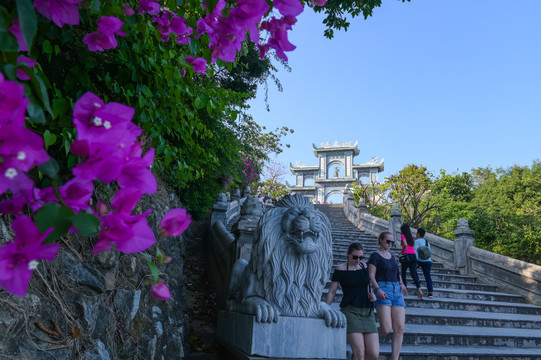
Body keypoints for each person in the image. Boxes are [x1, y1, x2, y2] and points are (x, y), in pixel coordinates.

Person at [326, 242, 379, 360]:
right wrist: (326, 307)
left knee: (374, 354)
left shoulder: (364, 267)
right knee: (359, 352)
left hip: (367, 311)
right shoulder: (340, 269)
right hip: (350, 310)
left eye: (361, 257)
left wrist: (372, 296)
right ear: (348, 254)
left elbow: (366, 286)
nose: (358, 259)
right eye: (355, 257)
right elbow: (332, 291)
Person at [368, 232, 407, 360]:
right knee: (385, 328)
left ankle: (394, 358)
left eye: (392, 242)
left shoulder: (392, 256)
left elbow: (397, 272)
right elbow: (371, 276)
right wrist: (377, 289)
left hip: (396, 290)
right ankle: (368, 337)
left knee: (399, 327)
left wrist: (402, 284)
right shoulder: (375, 256)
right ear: (380, 240)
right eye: (387, 241)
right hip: (383, 288)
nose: (390, 244)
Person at [400, 223, 423, 299]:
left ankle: (405, 292)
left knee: (403, 273)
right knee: (414, 274)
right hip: (413, 256)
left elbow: (405, 245)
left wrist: (401, 251)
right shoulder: (412, 238)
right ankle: (419, 290)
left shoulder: (403, 236)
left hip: (406, 256)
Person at [414, 228, 433, 297]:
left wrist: (415, 261)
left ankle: (417, 284)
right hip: (428, 260)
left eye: (416, 233)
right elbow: (429, 251)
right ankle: (430, 291)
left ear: (418, 234)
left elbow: (415, 251)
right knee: (428, 276)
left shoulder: (417, 241)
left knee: (413, 271)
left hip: (419, 260)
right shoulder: (427, 241)